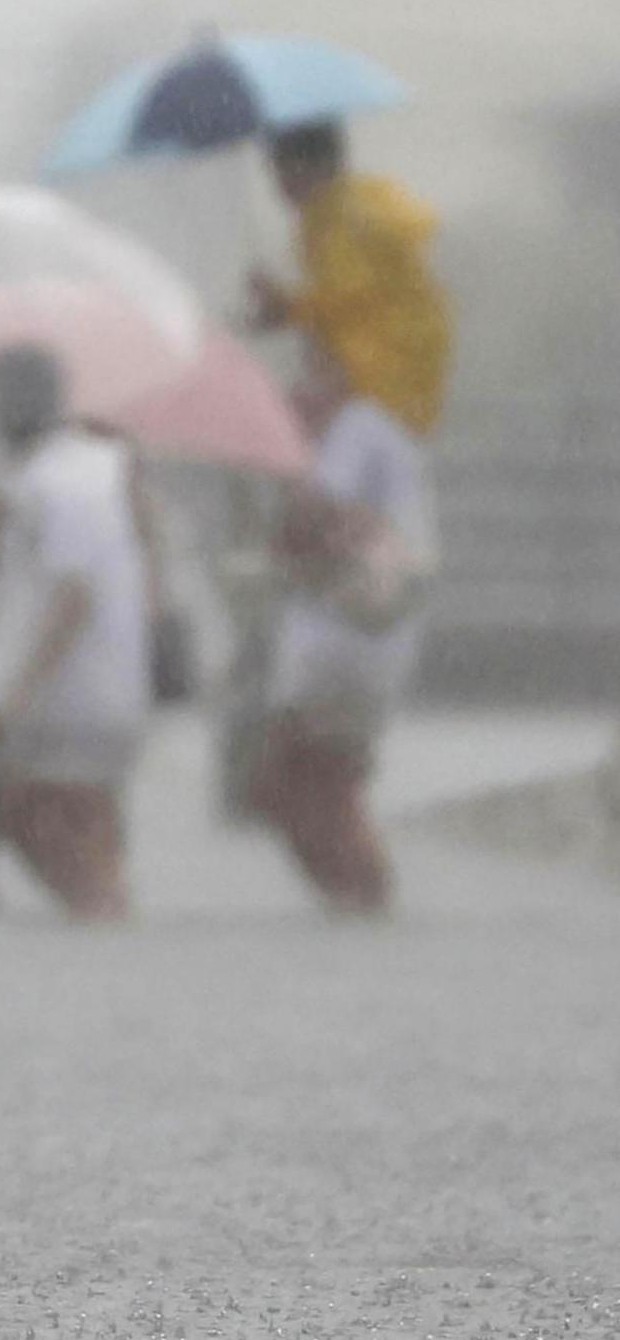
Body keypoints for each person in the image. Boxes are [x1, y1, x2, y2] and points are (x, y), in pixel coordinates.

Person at [0, 346, 152, 921]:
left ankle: (71, 903)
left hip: (65, 698)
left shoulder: (60, 479)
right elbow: (27, 564)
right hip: (106, 692)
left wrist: (19, 693)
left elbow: (74, 593)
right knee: (79, 828)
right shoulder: (84, 467)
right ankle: (93, 906)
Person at [250, 346, 436, 916]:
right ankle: (352, 899)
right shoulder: (366, 433)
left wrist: (280, 462)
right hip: (348, 639)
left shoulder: (356, 430)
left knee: (312, 780)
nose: (294, 391)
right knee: (298, 782)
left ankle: (364, 898)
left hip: (350, 643)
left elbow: (322, 518)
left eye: (308, 375)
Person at [249, 121, 451, 439]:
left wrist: (286, 307)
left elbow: (346, 299)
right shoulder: (348, 207)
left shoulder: (340, 220)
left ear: (313, 166)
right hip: (398, 386)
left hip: (376, 383)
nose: (278, 184)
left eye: (283, 169)